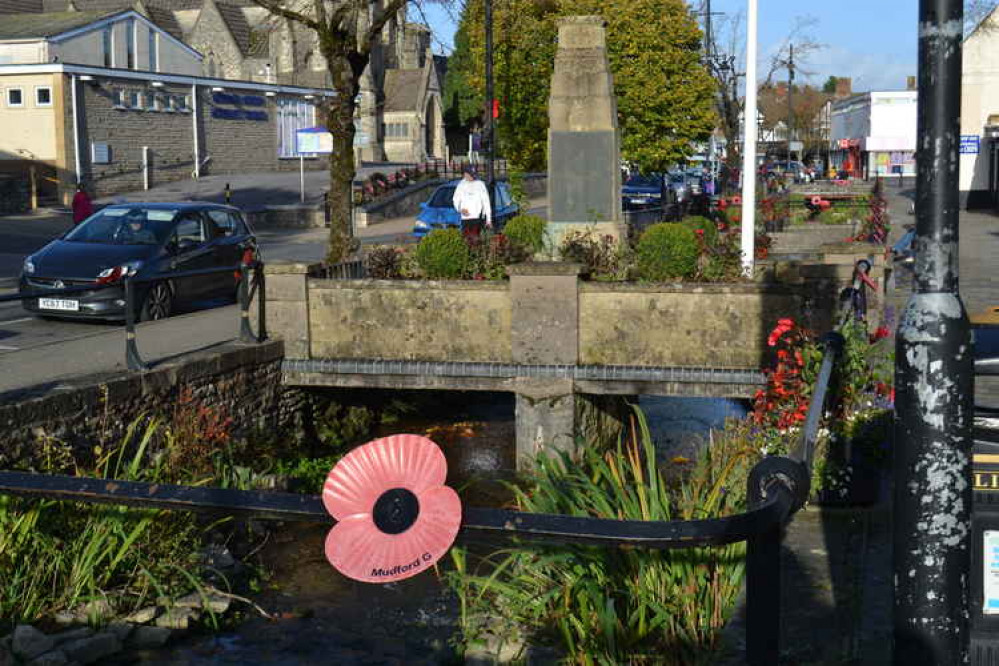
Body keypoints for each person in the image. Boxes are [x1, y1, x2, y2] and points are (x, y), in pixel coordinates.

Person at [452, 165, 492, 242]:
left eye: (473, 174)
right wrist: (460, 209)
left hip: (478, 218)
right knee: (466, 241)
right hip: (465, 219)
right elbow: (455, 200)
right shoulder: (461, 185)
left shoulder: (480, 184)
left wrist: (488, 219)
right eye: (470, 174)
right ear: (465, 174)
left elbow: (486, 202)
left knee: (476, 241)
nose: (472, 177)